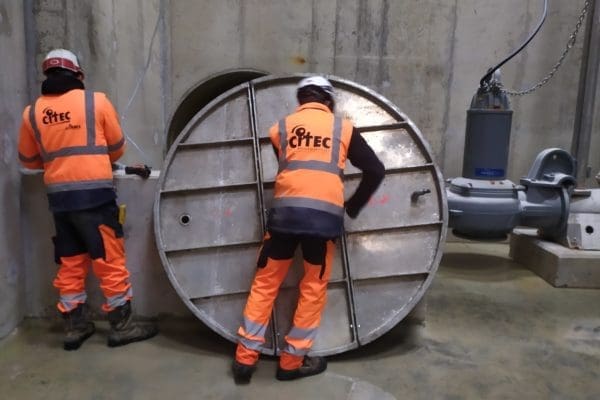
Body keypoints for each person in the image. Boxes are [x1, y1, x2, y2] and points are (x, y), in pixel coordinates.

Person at [232, 76, 385, 383]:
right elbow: (376, 169)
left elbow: (290, 166)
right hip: (323, 222)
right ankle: (291, 364)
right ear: (329, 101)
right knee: (312, 288)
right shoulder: (343, 128)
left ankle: (244, 361)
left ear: (301, 100)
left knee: (265, 283)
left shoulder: (281, 129)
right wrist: (351, 207)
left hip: (284, 219)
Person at [18, 48, 158, 350]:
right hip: (95, 198)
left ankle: (74, 326)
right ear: (78, 75)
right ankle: (122, 326)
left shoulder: (31, 113)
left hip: (60, 202)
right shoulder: (97, 102)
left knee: (70, 262)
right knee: (109, 261)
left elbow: (29, 162)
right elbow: (117, 148)